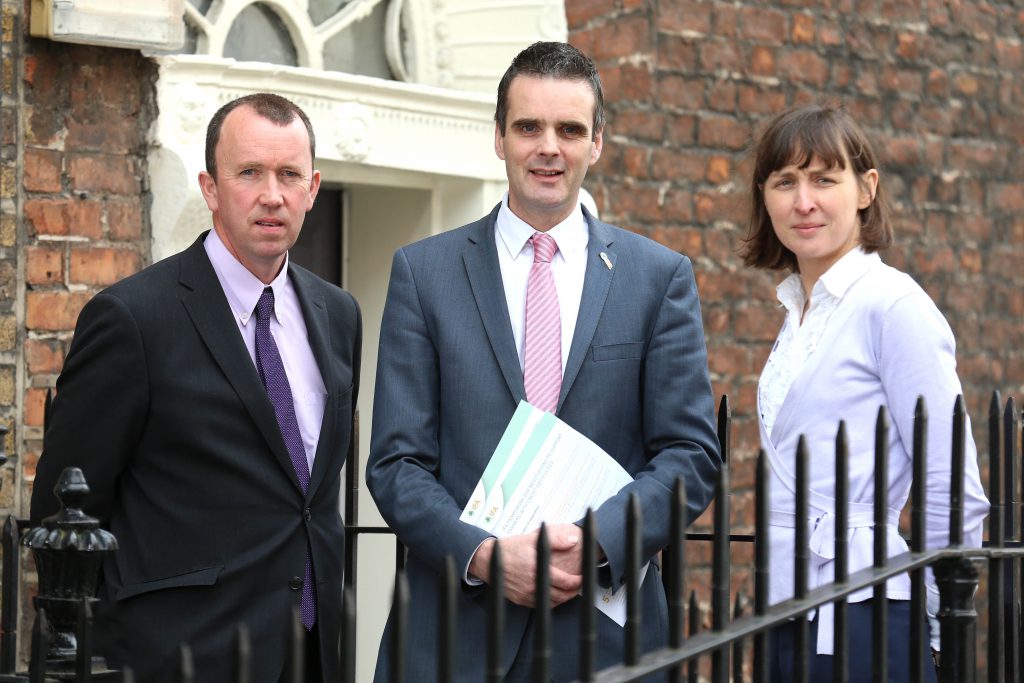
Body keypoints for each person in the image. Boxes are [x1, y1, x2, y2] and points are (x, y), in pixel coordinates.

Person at [366, 41, 721, 681]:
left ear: (597, 143)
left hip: (606, 637)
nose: (548, 147)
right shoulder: (424, 274)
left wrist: (596, 546)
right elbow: (397, 462)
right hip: (453, 631)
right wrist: (483, 555)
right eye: (528, 126)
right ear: (499, 137)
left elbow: (691, 455)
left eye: (569, 129)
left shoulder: (657, 277)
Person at [30, 93, 361, 682]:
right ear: (210, 188)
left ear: (313, 189)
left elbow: (311, 498)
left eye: (289, 175)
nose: (272, 194)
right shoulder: (133, 318)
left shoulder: (338, 313)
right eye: (249, 172)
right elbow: (67, 513)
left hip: (310, 647)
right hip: (177, 655)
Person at [741, 103, 988, 682]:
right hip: (783, 605)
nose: (804, 201)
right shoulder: (798, 312)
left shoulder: (894, 307)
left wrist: (939, 618)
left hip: (865, 611)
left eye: (824, 179)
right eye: (785, 182)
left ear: (865, 189)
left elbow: (951, 481)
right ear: (766, 196)